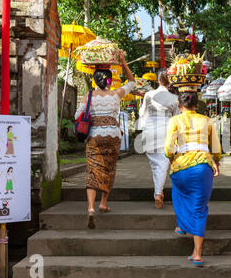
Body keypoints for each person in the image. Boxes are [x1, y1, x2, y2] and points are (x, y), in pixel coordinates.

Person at [74, 51, 135, 229]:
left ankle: (91, 208)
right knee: (109, 169)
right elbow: (132, 82)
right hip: (113, 136)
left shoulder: (88, 96)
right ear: (109, 80)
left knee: (92, 171)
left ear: (94, 80)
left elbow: (78, 115)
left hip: (94, 136)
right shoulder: (116, 94)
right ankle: (103, 203)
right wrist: (123, 62)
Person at [165, 91, 221, 267]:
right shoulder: (207, 120)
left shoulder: (175, 120)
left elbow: (168, 148)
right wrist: (216, 162)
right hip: (202, 167)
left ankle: (181, 225)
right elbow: (217, 148)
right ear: (197, 105)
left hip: (180, 168)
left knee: (179, 192)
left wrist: (173, 158)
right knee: (199, 208)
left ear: (180, 106)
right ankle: (197, 254)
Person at [139, 68, 179, 208]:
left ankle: (159, 192)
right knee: (162, 164)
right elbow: (176, 118)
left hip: (150, 130)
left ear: (158, 80)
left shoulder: (149, 95)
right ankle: (158, 193)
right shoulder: (174, 98)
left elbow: (142, 113)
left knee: (156, 165)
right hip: (166, 130)